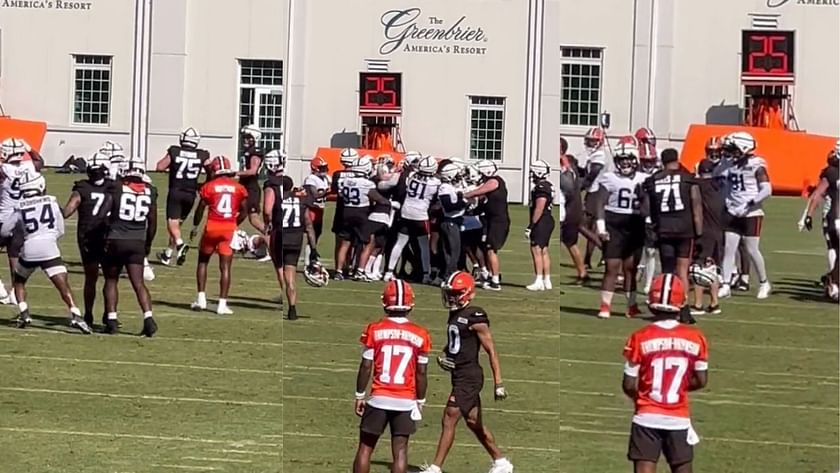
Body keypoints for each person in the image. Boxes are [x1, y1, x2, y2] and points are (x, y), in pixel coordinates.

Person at [421, 271, 512, 473]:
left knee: (449, 416)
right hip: (459, 374)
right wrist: (445, 354)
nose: (451, 297)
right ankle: (501, 461)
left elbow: (491, 349)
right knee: (473, 422)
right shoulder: (455, 314)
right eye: (450, 293)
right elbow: (457, 342)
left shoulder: (475, 316)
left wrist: (498, 383)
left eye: (455, 293)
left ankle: (435, 468)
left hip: (470, 377)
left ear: (467, 293)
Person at [623, 273, 708, 473]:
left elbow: (628, 384)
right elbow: (701, 380)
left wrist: (645, 394)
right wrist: (677, 388)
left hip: (646, 414)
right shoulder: (696, 338)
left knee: (644, 465)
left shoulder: (639, 337)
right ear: (682, 302)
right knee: (682, 468)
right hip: (678, 415)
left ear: (651, 302)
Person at [353, 279, 430, 473]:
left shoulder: (375, 329)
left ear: (385, 302)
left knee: (365, 448)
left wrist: (360, 394)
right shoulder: (421, 334)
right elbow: (421, 372)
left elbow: (366, 366)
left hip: (379, 397)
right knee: (401, 450)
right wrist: (420, 400)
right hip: (405, 398)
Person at [8, 173, 91, 334]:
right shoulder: (51, 202)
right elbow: (60, 229)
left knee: (19, 281)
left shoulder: (20, 206)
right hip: (49, 248)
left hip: (29, 248)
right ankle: (76, 314)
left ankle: (24, 313)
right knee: (63, 286)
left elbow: (6, 229)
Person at [641, 148, 703, 323]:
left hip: (664, 228)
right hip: (685, 229)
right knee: (682, 270)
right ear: (677, 159)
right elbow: (696, 206)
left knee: (668, 270)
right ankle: (683, 309)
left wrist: (653, 226)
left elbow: (648, 207)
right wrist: (699, 232)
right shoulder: (688, 178)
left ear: (662, 160)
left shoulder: (653, 180)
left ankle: (666, 303)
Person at [592, 142, 651, 319]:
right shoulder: (609, 178)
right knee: (611, 267)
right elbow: (600, 204)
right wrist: (601, 228)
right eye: (622, 160)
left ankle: (631, 305)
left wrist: (644, 203)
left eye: (628, 159)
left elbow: (648, 207)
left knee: (630, 268)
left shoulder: (644, 179)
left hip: (635, 223)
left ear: (636, 160)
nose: (625, 163)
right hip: (614, 222)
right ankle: (605, 305)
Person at [102, 156, 158, 336]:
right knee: (139, 283)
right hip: (137, 241)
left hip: (117, 238)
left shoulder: (116, 188)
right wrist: (147, 243)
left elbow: (105, 214)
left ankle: (111, 319)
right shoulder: (150, 190)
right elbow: (153, 221)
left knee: (111, 280)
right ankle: (148, 318)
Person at [715, 132, 772, 299]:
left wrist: (748, 204)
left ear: (744, 148)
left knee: (752, 249)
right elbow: (717, 177)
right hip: (733, 211)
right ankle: (726, 284)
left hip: (751, 213)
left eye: (733, 149)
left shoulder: (756, 165)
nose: (730, 153)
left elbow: (767, 189)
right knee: (729, 249)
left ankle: (764, 282)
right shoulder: (729, 165)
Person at [189, 155, 248, 315]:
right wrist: (235, 223)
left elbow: (200, 208)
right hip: (228, 228)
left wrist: (195, 225)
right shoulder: (238, 188)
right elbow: (245, 210)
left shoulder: (209, 186)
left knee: (203, 261)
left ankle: (201, 299)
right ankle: (222, 304)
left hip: (212, 227)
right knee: (225, 267)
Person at [63, 152, 114, 328]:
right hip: (108, 236)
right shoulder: (114, 187)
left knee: (90, 278)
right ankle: (110, 316)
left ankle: (89, 314)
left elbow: (67, 211)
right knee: (110, 279)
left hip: (87, 236)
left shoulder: (82, 188)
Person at [264, 165, 318, 320]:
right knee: (291, 276)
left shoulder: (278, 200)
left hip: (280, 236)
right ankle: (292, 308)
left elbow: (268, 213)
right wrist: (313, 249)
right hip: (295, 240)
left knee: (280, 269)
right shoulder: (301, 202)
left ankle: (284, 299)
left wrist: (268, 225)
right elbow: (308, 226)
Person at [155, 127, 209, 266]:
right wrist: (203, 183)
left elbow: (160, 166)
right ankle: (167, 254)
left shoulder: (175, 151)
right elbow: (212, 170)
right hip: (191, 194)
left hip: (176, 191)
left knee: (172, 224)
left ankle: (180, 245)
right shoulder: (202, 155)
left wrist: (173, 166)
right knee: (177, 226)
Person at [0, 138, 44, 304]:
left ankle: (0, 289)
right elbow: (40, 161)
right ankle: (14, 291)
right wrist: (30, 148)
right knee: (14, 255)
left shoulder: (3, 170)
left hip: (4, 217)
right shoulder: (29, 166)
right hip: (22, 218)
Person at [385, 156, 441, 284]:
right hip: (421, 216)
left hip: (406, 212)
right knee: (424, 246)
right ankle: (426, 275)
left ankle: (389, 272)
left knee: (400, 243)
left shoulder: (411, 177)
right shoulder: (435, 183)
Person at [798, 142, 840, 300]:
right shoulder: (832, 172)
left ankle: (833, 281)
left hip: (833, 216)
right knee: (834, 249)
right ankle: (833, 282)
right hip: (834, 216)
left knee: (835, 250)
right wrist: (807, 215)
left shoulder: (831, 171)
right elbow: (817, 194)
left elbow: (816, 194)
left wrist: (808, 216)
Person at [463, 161, 510, 291]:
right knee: (485, 247)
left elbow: (478, 192)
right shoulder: (491, 182)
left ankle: (495, 281)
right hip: (491, 220)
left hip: (498, 222)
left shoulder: (495, 181)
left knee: (491, 250)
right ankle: (490, 276)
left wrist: (464, 195)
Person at [690, 159, 726, 315]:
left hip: (705, 232)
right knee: (713, 269)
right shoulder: (719, 186)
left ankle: (698, 304)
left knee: (699, 268)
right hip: (719, 232)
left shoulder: (699, 185)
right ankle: (714, 303)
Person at [557, 138, 589, 285]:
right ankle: (582, 272)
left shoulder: (565, 167)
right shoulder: (566, 164)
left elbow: (568, 188)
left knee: (569, 242)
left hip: (568, 210)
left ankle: (582, 272)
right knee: (570, 242)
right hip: (569, 209)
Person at [526, 159, 558, 291]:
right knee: (544, 250)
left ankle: (539, 280)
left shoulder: (541, 188)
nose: (532, 176)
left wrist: (531, 226)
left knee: (536, 250)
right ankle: (547, 280)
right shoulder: (548, 185)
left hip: (542, 221)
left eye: (533, 173)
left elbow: (539, 207)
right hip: (547, 219)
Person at [580, 127, 608, 270]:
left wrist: (579, 188)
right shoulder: (596, 155)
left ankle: (605, 249)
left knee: (581, 225)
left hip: (596, 193)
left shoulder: (600, 156)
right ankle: (587, 260)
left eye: (593, 141)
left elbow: (593, 174)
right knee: (592, 228)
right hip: (597, 192)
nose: (589, 144)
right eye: (589, 141)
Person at [437, 161, 468, 282]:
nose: (458, 176)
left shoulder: (450, 187)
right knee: (453, 252)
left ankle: (448, 275)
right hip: (450, 222)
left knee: (453, 251)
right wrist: (464, 202)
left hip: (453, 222)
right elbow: (449, 207)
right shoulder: (445, 188)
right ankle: (449, 276)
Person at [331, 148, 360, 276]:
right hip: (357, 209)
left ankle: (339, 268)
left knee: (340, 242)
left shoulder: (337, 174)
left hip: (341, 209)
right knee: (354, 242)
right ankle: (351, 267)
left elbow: (334, 190)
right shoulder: (359, 174)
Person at [237, 124, 266, 234]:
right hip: (243, 187)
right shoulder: (248, 151)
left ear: (255, 138)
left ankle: (270, 237)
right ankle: (228, 234)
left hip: (251, 188)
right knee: (237, 213)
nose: (245, 139)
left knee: (253, 219)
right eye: (244, 137)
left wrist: (235, 173)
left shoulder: (255, 152)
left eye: (249, 137)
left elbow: (253, 171)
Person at [302, 156, 330, 264]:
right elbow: (315, 194)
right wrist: (327, 192)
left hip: (320, 209)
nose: (324, 170)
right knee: (310, 233)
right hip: (311, 208)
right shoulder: (311, 179)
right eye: (321, 168)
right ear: (315, 168)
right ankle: (309, 259)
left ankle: (311, 257)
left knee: (317, 233)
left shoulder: (326, 178)